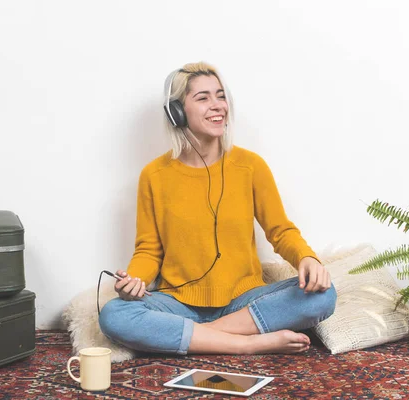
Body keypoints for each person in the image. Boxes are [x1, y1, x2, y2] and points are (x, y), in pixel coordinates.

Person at [99, 62, 336, 355]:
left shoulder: (250, 166)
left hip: (243, 302)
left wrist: (307, 259)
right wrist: (134, 281)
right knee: (114, 314)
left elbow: (280, 230)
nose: (218, 106)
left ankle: (198, 338)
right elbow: (149, 249)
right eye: (203, 98)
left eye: (220, 96)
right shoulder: (154, 175)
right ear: (177, 112)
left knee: (323, 297)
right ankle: (246, 344)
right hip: (177, 303)